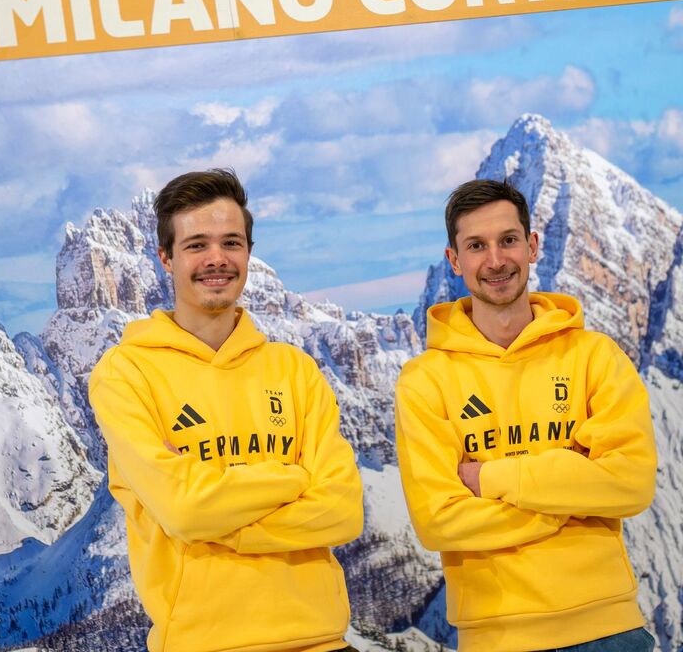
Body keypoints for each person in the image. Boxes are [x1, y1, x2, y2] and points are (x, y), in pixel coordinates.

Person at [89, 168, 363, 652]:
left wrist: (218, 516)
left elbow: (342, 512)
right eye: (197, 245)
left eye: (231, 243)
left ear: (248, 253)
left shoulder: (294, 370)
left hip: (325, 641)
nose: (216, 258)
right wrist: (294, 479)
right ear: (165, 257)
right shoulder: (126, 373)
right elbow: (185, 510)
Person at [395, 179, 657, 652]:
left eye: (508, 240)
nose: (496, 260)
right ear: (454, 260)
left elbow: (631, 483)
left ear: (532, 246)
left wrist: (490, 478)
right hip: (497, 638)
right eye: (477, 246)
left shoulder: (594, 356)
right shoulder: (425, 380)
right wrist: (568, 500)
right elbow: (439, 521)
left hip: (610, 631)